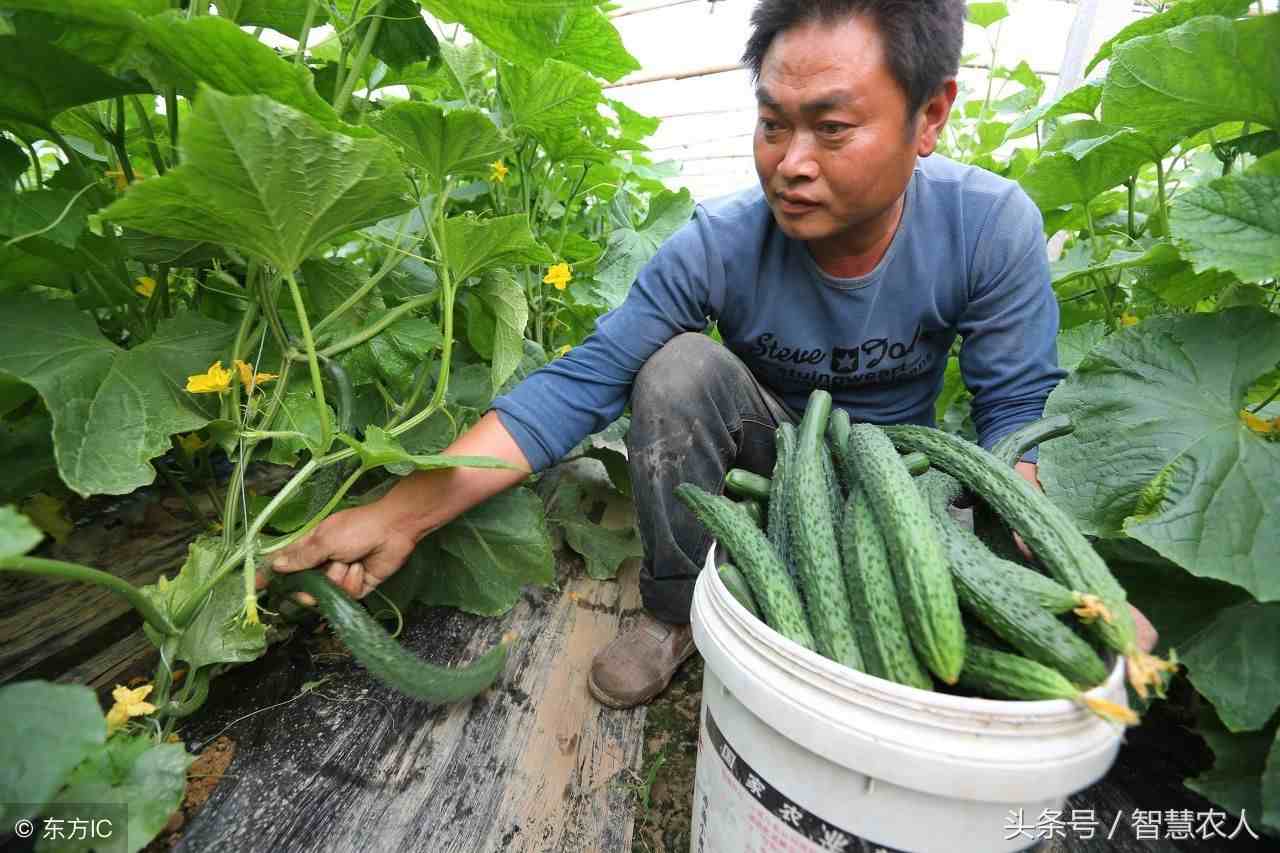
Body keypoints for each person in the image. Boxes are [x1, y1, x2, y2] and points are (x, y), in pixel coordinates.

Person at [267, 0, 1157, 709]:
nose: (790, 164)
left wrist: (1072, 587)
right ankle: (674, 605)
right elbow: (583, 382)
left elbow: (1016, 423)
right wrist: (401, 512)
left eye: (832, 128)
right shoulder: (721, 242)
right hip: (763, 463)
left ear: (930, 116)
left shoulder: (988, 225)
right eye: (773, 124)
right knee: (677, 365)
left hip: (898, 479)